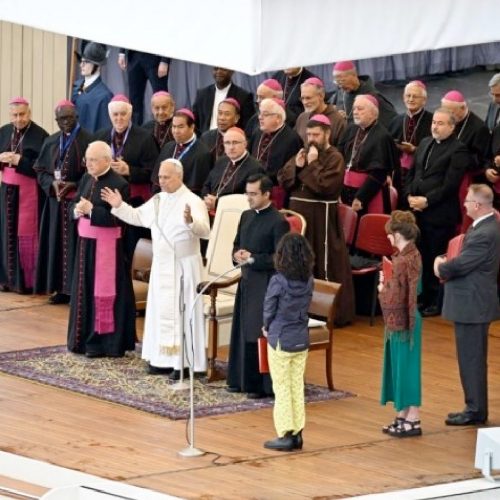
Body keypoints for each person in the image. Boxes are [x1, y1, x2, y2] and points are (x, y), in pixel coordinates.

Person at [102, 159, 210, 378]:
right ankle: (161, 359)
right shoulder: (158, 199)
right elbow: (137, 217)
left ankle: (184, 363)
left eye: (166, 177)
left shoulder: (193, 200)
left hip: (183, 266)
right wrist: (119, 205)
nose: (161, 181)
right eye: (160, 177)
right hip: (161, 266)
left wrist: (190, 221)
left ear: (179, 177)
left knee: (182, 313)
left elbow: (205, 231)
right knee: (160, 312)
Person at [278, 114, 354, 326]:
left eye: (315, 135)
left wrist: (312, 164)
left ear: (327, 134)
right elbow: (283, 179)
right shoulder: (302, 152)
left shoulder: (335, 157)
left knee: (322, 262)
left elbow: (325, 186)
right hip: (298, 217)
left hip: (321, 220)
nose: (311, 139)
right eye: (308, 134)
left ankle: (326, 313)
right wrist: (298, 166)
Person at [435, 184, 500, 426]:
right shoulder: (485, 226)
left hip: (473, 305)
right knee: (471, 358)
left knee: (471, 359)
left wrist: (440, 266)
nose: (464, 204)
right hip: (473, 303)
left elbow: (461, 265)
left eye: (467, 201)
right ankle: (474, 407)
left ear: (477, 205)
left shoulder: (485, 233)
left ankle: (475, 410)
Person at [67, 141, 136, 358]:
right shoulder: (86, 178)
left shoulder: (119, 184)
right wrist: (77, 210)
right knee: (83, 292)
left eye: (94, 160)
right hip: (84, 247)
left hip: (107, 251)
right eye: (87, 159)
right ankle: (80, 341)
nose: (89, 164)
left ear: (107, 160)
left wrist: (91, 211)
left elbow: (120, 220)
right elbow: (73, 204)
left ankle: (102, 344)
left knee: (102, 293)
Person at [227, 173, 289, 398]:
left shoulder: (278, 221)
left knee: (257, 333)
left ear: (267, 194)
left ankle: (260, 385)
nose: (249, 198)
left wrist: (253, 258)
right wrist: (237, 255)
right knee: (243, 331)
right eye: (247, 193)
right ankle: (239, 379)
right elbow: (236, 244)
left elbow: (281, 258)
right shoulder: (246, 216)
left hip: (266, 286)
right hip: (247, 282)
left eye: (253, 194)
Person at [404, 107, 471, 317]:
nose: (435, 126)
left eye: (441, 123)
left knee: (436, 257)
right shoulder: (425, 143)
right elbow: (412, 173)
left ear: (452, 127)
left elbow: (450, 184)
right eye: (434, 122)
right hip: (417, 211)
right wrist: (409, 196)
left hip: (440, 214)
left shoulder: (458, 150)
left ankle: (436, 301)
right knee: (421, 256)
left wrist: (426, 200)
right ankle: (422, 296)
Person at [34, 100, 92, 304]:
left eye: (68, 118)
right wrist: (52, 184)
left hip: (77, 204)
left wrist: (75, 185)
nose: (65, 122)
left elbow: (93, 173)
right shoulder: (51, 141)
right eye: (61, 119)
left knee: (76, 247)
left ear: (76, 117)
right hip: (55, 205)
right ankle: (59, 289)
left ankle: (75, 290)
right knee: (56, 245)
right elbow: (40, 171)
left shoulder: (89, 140)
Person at [262, 233, 314, 452]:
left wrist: (266, 326)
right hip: (301, 337)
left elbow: (269, 308)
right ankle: (298, 433)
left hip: (281, 338)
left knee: (282, 387)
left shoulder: (278, 281)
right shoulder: (309, 280)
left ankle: (285, 433)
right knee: (296, 386)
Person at [378, 211, 423, 438]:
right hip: (408, 318)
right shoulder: (412, 254)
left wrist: (382, 288)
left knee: (406, 369)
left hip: (404, 323)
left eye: (389, 234)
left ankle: (413, 417)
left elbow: (394, 295)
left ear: (396, 234)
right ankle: (404, 413)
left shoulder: (402, 261)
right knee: (403, 368)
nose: (388, 238)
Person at [0, 97, 49, 293]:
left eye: (22, 114)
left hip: (29, 194)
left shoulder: (41, 135)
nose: (18, 119)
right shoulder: (4, 131)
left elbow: (43, 168)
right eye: (15, 115)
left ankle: (26, 283)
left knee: (26, 236)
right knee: (5, 234)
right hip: (6, 192)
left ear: (29, 113)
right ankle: (6, 280)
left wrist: (19, 161)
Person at [338, 94, 397, 214]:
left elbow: (379, 173)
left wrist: (361, 197)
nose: (355, 112)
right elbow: (340, 156)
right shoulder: (351, 129)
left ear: (373, 113)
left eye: (360, 109)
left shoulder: (382, 136)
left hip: (370, 192)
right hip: (346, 189)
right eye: (354, 108)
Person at [248, 98, 302, 208]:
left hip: (275, 194)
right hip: (251, 189)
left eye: (265, 114)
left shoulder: (292, 139)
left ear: (278, 118)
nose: (260, 117)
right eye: (260, 113)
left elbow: (290, 173)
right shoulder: (257, 133)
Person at [201, 127, 263, 214]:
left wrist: (218, 203)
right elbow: (207, 185)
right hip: (209, 208)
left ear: (245, 144)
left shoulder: (255, 168)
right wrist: (207, 198)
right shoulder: (221, 161)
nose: (231, 147)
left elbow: (247, 199)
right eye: (227, 143)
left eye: (235, 142)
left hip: (234, 213)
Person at [152, 108, 213, 195]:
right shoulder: (168, 147)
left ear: (192, 127)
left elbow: (199, 188)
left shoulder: (203, 153)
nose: (176, 131)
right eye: (174, 126)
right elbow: (156, 182)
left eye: (180, 127)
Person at [388, 80, 433, 195]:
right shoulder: (396, 120)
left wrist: (414, 150)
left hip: (422, 173)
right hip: (398, 172)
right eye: (408, 96)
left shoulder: (433, 121)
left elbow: (436, 149)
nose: (411, 99)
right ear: (403, 98)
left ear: (424, 100)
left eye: (415, 96)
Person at [330, 60, 397, 129]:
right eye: (337, 82)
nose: (340, 86)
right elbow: (329, 108)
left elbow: (393, 122)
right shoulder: (341, 92)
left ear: (354, 75)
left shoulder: (372, 97)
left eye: (342, 81)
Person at [193, 67, 254, 134]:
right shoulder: (202, 94)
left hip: (232, 138)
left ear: (232, 71)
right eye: (216, 68)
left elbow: (248, 126)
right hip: (205, 138)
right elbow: (194, 122)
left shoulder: (244, 96)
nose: (219, 72)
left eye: (223, 69)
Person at [118, 49, 170, 125]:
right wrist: (122, 53)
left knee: (161, 98)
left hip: (156, 57)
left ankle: (164, 128)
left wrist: (165, 60)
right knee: (134, 100)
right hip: (134, 55)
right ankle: (136, 129)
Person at [71, 42, 113, 133]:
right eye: (81, 61)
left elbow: (105, 131)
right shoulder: (75, 87)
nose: (81, 65)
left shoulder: (105, 96)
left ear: (97, 66)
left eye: (86, 62)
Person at [294, 77, 346, 147]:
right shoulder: (302, 118)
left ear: (321, 96)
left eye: (308, 98)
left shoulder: (338, 120)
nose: (305, 102)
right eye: (302, 98)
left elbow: (341, 150)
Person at [200, 97, 241, 162]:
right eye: (220, 113)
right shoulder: (206, 137)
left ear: (236, 118)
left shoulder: (241, 140)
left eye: (227, 114)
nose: (222, 118)